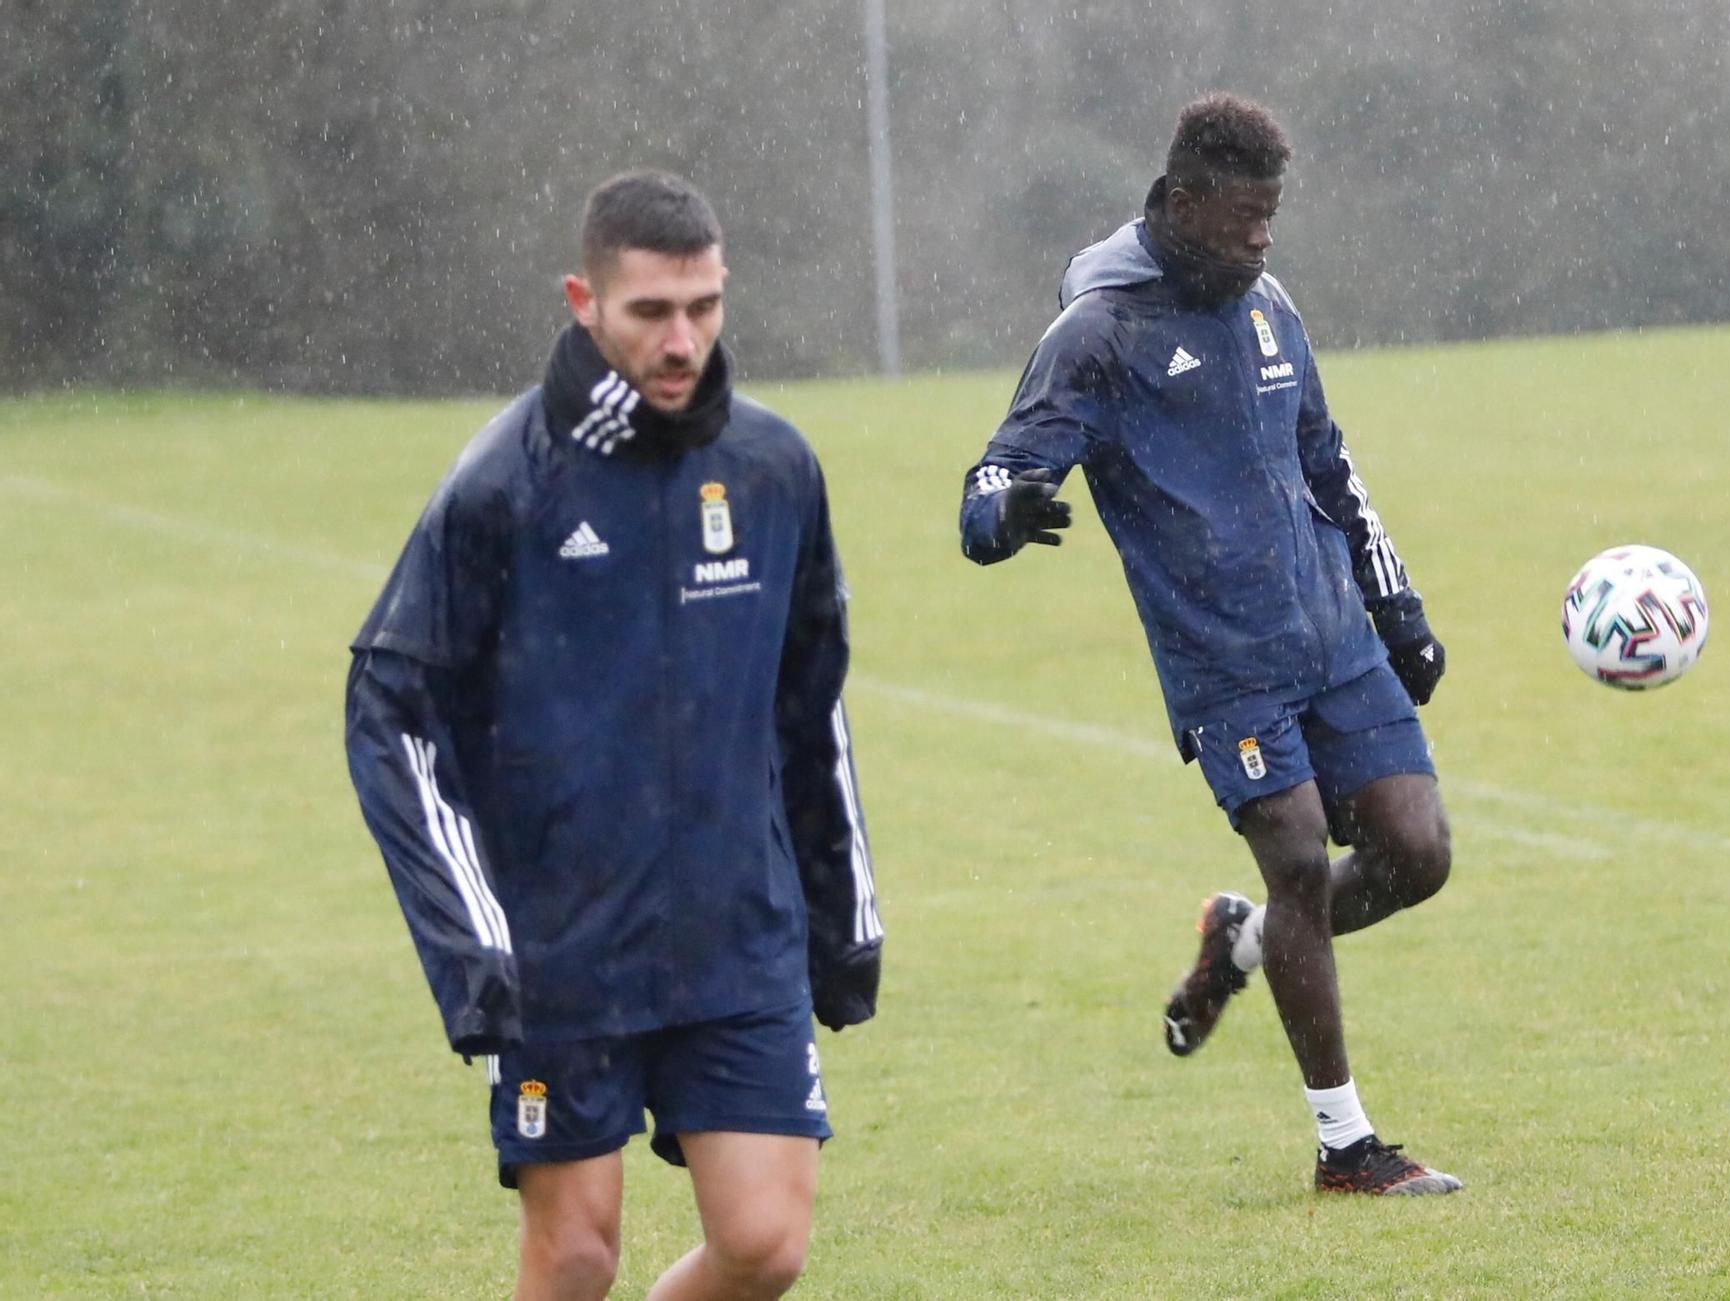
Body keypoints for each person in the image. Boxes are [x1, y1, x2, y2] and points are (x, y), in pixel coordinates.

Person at [345, 170, 883, 1299]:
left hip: (738, 931)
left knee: (765, 1245)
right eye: (651, 312)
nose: (681, 338)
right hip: (563, 950)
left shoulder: (774, 469)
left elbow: (810, 701)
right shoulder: (505, 484)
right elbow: (390, 709)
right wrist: (474, 943)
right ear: (583, 299)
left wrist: (841, 915)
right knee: (576, 1255)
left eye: (703, 306)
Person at [959, 95, 1459, 1196]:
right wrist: (1006, 514)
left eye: (1271, 214)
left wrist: (1396, 603)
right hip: (1220, 659)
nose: (1261, 238)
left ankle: (1238, 945)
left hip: (1330, 632)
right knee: (1292, 856)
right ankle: (1344, 1144)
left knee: (1415, 853)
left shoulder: (1271, 306)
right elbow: (987, 479)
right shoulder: (1096, 334)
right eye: (1242, 215)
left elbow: (1329, 463)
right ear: (1182, 204)